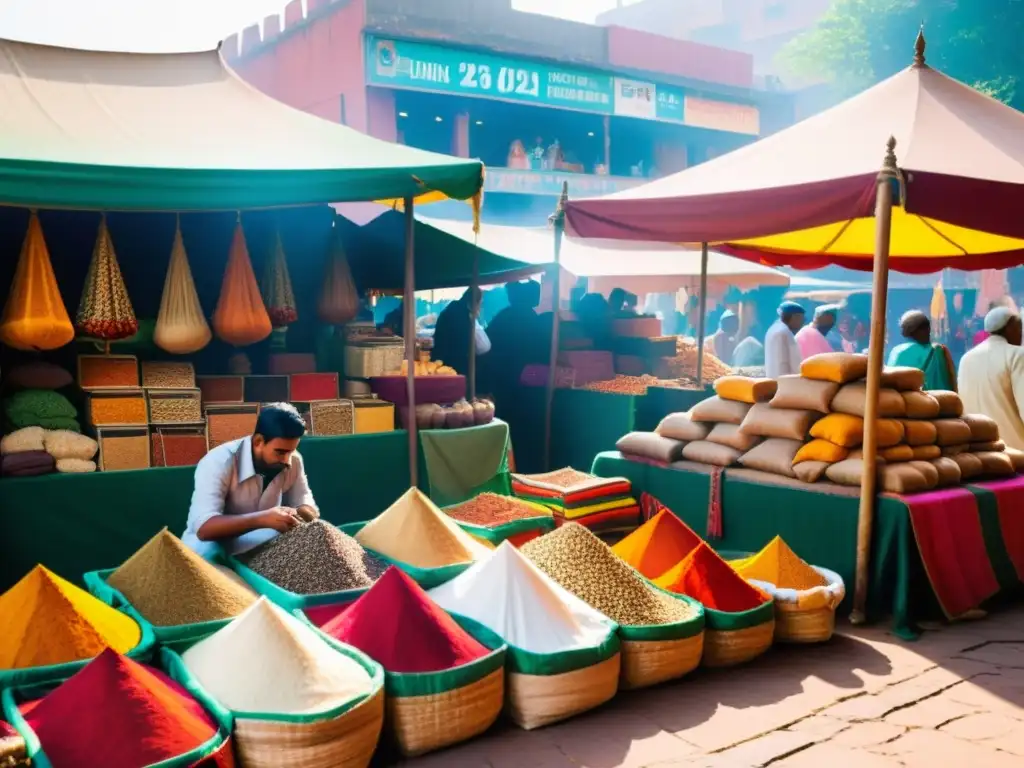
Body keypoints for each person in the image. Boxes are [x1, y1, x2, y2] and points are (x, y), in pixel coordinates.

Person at [183, 403, 317, 557]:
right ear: (258, 442)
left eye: (291, 451)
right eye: (280, 452)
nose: (287, 460)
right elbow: (204, 528)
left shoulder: (293, 460)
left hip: (258, 543)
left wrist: (300, 512)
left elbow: (305, 503)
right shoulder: (220, 461)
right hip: (214, 544)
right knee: (207, 554)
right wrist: (263, 519)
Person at [958, 307, 1024, 451]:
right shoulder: (1017, 355)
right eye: (1019, 328)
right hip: (1015, 450)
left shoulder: (966, 359)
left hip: (979, 450)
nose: (1021, 334)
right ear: (1010, 327)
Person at [887, 310, 958, 391]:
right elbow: (944, 386)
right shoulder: (936, 350)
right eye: (924, 329)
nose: (928, 332)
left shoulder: (896, 351)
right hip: (931, 401)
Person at [430, 287, 490, 375]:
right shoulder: (465, 315)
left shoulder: (452, 309)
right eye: (480, 304)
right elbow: (483, 347)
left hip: (441, 361)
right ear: (474, 302)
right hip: (454, 366)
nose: (480, 307)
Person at [765, 301, 805, 379]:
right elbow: (792, 362)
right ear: (795, 317)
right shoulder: (784, 332)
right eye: (801, 319)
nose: (802, 323)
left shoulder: (775, 328)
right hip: (785, 381)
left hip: (775, 379)